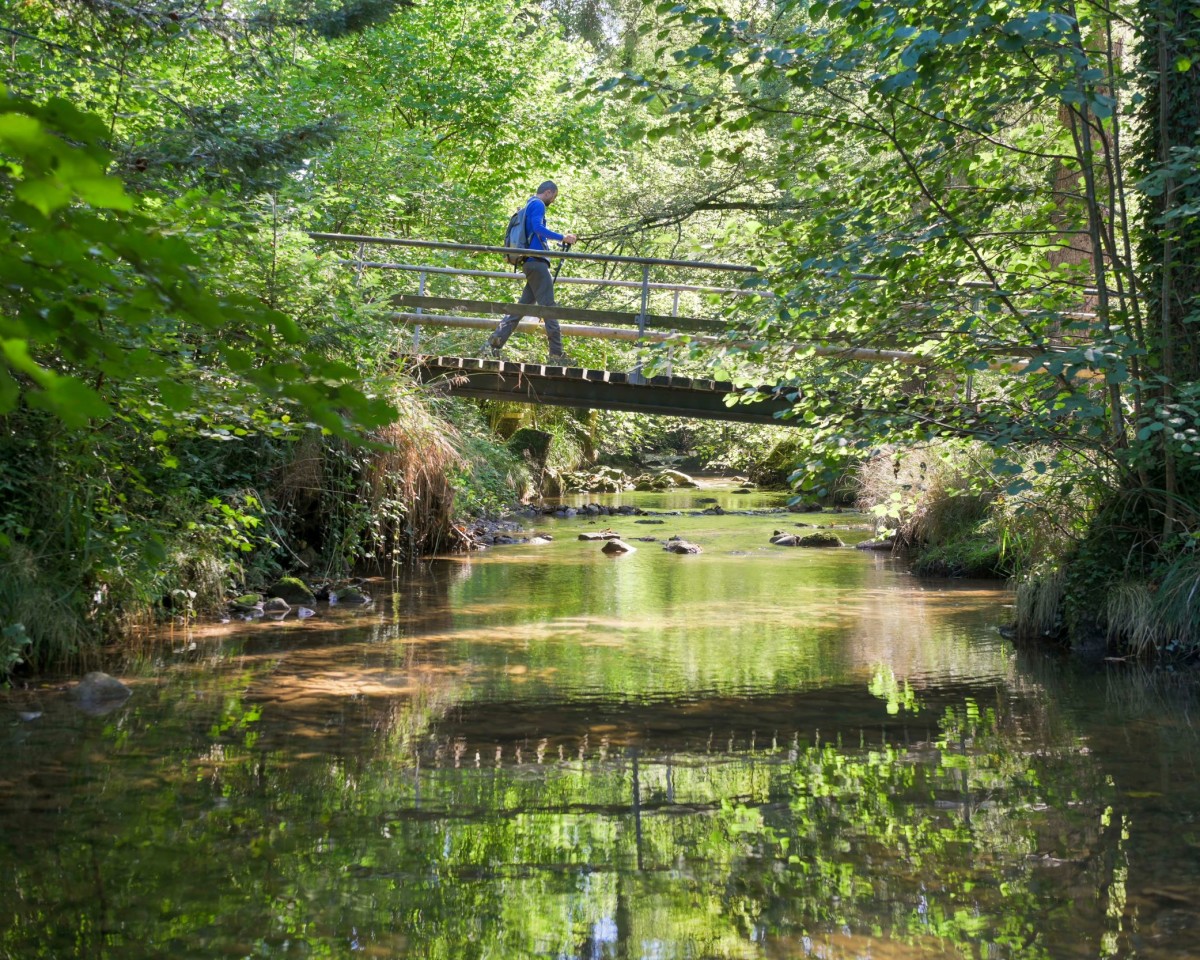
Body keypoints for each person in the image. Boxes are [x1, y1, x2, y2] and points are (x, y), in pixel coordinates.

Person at [488, 180, 579, 363]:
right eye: (554, 197)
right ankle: (557, 355)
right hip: (536, 263)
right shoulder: (538, 204)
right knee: (549, 309)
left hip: (530, 263)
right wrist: (563, 237)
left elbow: (535, 232)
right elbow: (538, 228)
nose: (553, 201)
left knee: (519, 310)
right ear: (548, 192)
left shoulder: (529, 203)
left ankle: (492, 346)